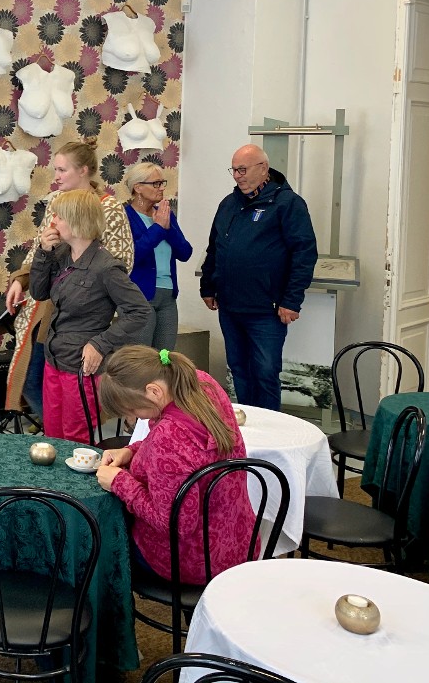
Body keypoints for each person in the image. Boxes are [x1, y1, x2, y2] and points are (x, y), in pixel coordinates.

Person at [95, 346, 255, 584]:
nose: (135, 418)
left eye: (133, 409)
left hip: (195, 560)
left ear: (154, 391)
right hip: (240, 539)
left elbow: (175, 524)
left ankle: (106, 604)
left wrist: (119, 482)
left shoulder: (168, 438)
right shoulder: (199, 383)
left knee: (100, 541)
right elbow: (188, 452)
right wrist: (132, 450)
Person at [4, 140, 134, 420]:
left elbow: (121, 260)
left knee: (72, 387)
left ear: (83, 170)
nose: (56, 176)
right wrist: (20, 280)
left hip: (83, 312)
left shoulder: (109, 207)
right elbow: (40, 246)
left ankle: (67, 431)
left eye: (62, 170)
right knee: (31, 377)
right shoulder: (56, 201)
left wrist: (81, 278)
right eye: (56, 170)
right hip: (46, 303)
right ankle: (54, 426)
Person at [199, 144, 317, 410]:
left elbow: (304, 253)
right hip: (230, 307)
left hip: (267, 310)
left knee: (265, 373)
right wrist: (207, 286)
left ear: (263, 168)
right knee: (239, 370)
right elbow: (215, 248)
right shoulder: (228, 204)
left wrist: (291, 300)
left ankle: (269, 430)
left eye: (242, 170)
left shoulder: (288, 204)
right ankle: (247, 427)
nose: (237, 176)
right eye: (234, 170)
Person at [28, 189, 150, 442]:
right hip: (54, 358)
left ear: (77, 221)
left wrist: (100, 344)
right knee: (52, 433)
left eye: (60, 217)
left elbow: (139, 312)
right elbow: (39, 292)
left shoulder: (106, 267)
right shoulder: (61, 254)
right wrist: (43, 253)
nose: (54, 222)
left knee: (76, 438)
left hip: (81, 367)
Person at [123, 161, 193, 352]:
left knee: (165, 357)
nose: (161, 188)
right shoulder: (125, 216)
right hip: (138, 296)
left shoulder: (164, 215)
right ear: (138, 187)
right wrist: (157, 229)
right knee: (140, 358)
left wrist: (168, 228)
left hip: (168, 296)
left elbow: (185, 253)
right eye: (156, 184)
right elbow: (131, 257)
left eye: (162, 183)